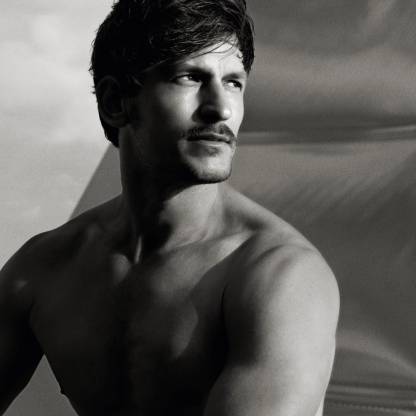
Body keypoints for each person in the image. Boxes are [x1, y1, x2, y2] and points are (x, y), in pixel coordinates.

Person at [0, 0, 339, 415]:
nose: (221, 108)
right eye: (190, 77)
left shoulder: (279, 276)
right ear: (115, 101)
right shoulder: (42, 269)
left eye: (234, 82)